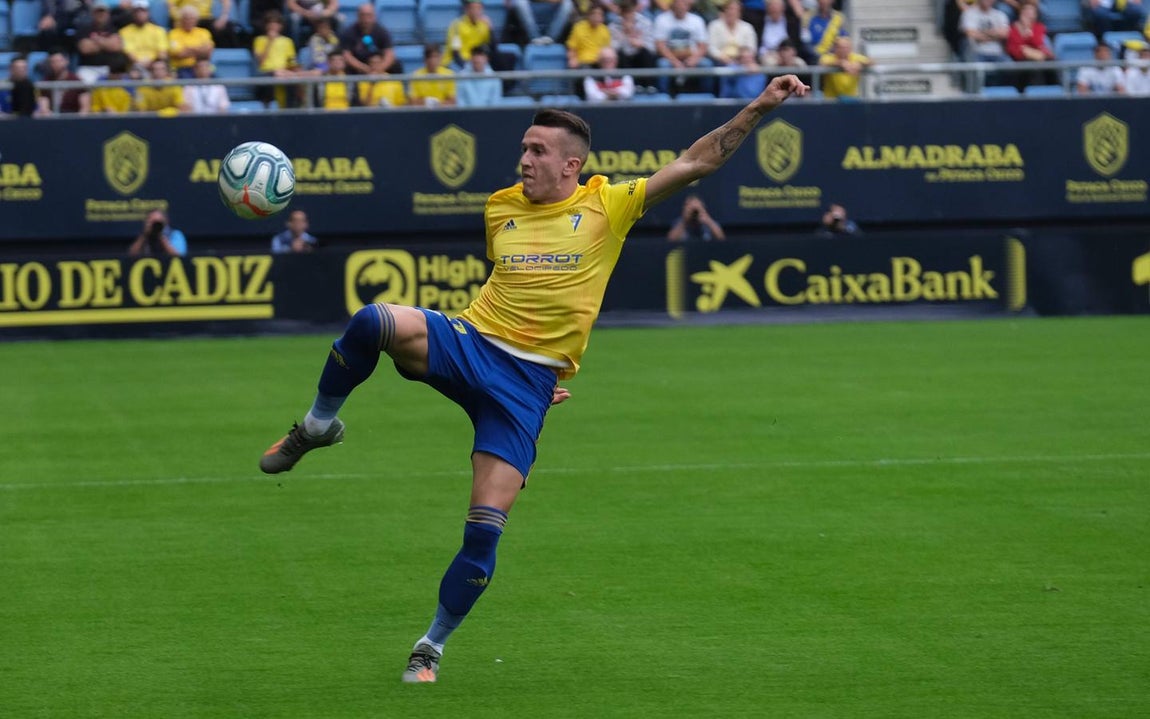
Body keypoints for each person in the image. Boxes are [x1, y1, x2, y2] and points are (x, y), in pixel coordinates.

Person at [256, 72, 809, 684]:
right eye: (523, 147)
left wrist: (759, 107)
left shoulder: (608, 204)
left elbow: (695, 162)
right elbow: (511, 291)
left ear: (572, 165)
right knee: (372, 320)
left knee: (484, 529)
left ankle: (430, 647)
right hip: (470, 344)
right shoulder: (500, 208)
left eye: (537, 151)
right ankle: (315, 427)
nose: (524, 158)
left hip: (524, 390)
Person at [653, 0, 714, 95]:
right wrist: (674, 62)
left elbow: (703, 45)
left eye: (684, 4)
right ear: (673, 5)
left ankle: (707, 95)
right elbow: (660, 45)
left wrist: (694, 59)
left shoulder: (697, 20)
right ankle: (662, 95)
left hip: (691, 57)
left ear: (688, 6)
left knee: (707, 64)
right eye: (679, 3)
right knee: (663, 65)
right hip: (670, 58)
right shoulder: (662, 19)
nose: (681, 6)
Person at [1005, 2, 1056, 90]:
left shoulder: (1039, 27)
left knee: (1050, 62)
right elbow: (1013, 49)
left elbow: (1037, 43)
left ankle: (1056, 90)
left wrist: (1027, 31)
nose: (1028, 14)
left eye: (1031, 11)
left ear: (1035, 15)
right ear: (1020, 13)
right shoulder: (1013, 28)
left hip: (1038, 58)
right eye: (1025, 11)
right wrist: (1026, 51)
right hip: (1019, 60)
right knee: (1031, 64)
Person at [253, 10, 299, 108]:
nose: (273, 27)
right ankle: (268, 107)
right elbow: (260, 62)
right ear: (266, 26)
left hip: (284, 73)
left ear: (280, 26)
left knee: (293, 80)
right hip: (265, 73)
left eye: (276, 24)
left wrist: (290, 72)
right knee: (273, 76)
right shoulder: (259, 40)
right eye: (270, 24)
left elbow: (292, 62)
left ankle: (290, 109)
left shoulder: (288, 41)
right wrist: (269, 42)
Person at [609, 0, 657, 86]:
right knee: (620, 55)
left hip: (640, 57)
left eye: (629, 11)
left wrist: (641, 44)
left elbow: (652, 48)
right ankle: (628, 86)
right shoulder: (613, 26)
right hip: (624, 59)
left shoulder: (645, 23)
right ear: (620, 11)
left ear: (634, 9)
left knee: (645, 53)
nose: (627, 14)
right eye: (624, 11)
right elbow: (612, 50)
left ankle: (649, 86)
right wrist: (625, 36)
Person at [340, 3, 396, 75]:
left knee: (396, 65)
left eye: (369, 15)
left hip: (378, 64)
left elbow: (389, 54)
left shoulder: (382, 31)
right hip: (358, 65)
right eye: (363, 15)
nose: (366, 19)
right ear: (358, 16)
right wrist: (364, 68)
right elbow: (346, 55)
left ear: (374, 16)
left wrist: (379, 69)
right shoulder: (349, 32)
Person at [119, 0, 169, 72]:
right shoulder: (124, 32)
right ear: (132, 13)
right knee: (135, 72)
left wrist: (151, 62)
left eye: (143, 11)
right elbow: (129, 53)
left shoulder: (158, 31)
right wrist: (141, 63)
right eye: (137, 11)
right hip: (135, 66)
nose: (140, 14)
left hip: (154, 65)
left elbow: (162, 53)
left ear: (148, 12)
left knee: (159, 66)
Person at [169, 6, 215, 79]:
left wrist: (188, 49)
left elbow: (208, 52)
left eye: (192, 18)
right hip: (182, 68)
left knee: (217, 79)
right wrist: (199, 50)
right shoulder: (173, 34)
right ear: (181, 20)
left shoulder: (204, 32)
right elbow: (179, 54)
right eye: (186, 18)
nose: (189, 21)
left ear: (196, 20)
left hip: (203, 67)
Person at [707, 1, 757, 68]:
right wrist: (722, 57)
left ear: (739, 12)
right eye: (729, 9)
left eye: (734, 9)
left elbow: (751, 48)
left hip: (742, 61)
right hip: (719, 62)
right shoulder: (714, 25)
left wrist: (743, 57)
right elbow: (711, 48)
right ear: (724, 11)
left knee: (754, 69)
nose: (731, 12)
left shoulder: (747, 27)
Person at [445, 0, 494, 69]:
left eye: (479, 8)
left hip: (477, 62)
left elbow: (492, 46)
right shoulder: (456, 25)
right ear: (466, 9)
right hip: (457, 62)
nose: (476, 11)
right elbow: (455, 53)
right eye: (473, 8)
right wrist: (467, 67)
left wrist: (490, 28)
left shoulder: (484, 25)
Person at [819, 35, 870, 99]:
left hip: (851, 99)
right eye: (840, 47)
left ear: (850, 48)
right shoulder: (829, 57)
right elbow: (822, 63)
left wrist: (860, 64)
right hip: (831, 100)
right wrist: (840, 63)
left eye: (846, 47)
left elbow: (870, 61)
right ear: (835, 48)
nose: (843, 50)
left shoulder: (855, 57)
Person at [507, 0, 576, 46]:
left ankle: (550, 39)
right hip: (529, 9)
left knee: (568, 4)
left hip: (554, 12)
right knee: (520, 3)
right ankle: (535, 38)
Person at [566, 5, 612, 70]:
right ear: (588, 15)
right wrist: (572, 59)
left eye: (600, 14)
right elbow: (571, 48)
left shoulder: (605, 30)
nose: (597, 16)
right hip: (584, 62)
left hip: (600, 62)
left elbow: (608, 49)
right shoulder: (579, 27)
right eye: (594, 13)